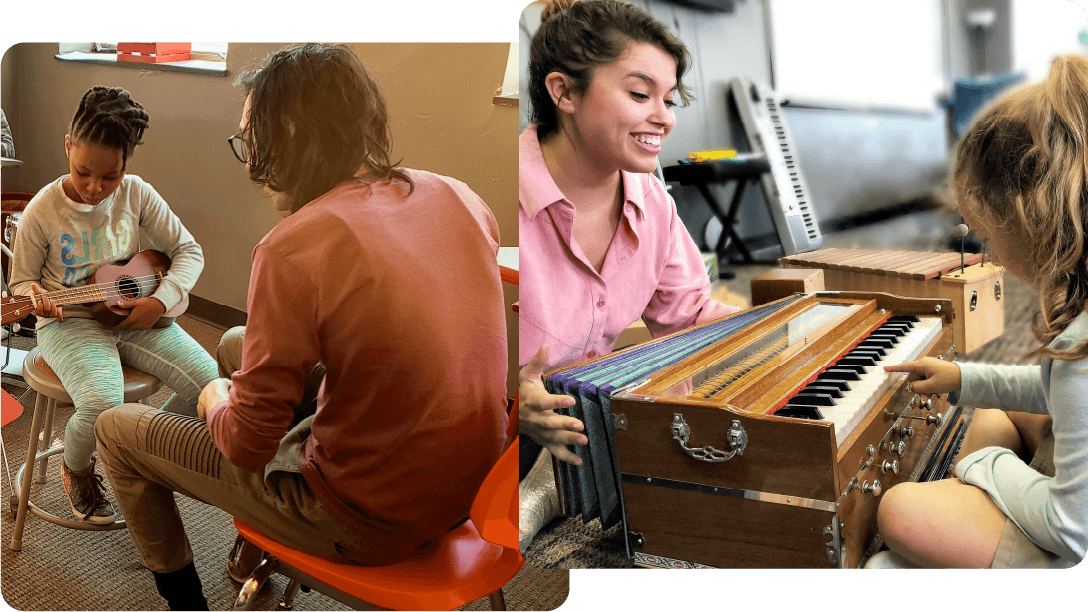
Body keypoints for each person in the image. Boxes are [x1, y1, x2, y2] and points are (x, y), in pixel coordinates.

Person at [94, 43, 508, 611]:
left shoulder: (293, 247)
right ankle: (253, 550)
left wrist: (215, 400)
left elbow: (245, 443)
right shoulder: (458, 196)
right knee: (237, 343)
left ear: (289, 135)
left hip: (366, 521)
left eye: (251, 139)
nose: (249, 162)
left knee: (117, 428)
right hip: (474, 494)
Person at [518, 0, 741, 551]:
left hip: (582, 425)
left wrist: (789, 331)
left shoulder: (652, 202)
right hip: (486, 431)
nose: (665, 117)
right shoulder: (496, 199)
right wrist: (507, 403)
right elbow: (438, 353)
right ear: (564, 93)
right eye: (641, 95)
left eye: (669, 98)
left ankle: (563, 481)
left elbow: (689, 319)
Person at [873, 54, 1088, 569]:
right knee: (995, 410)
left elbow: (1073, 529)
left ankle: (973, 525)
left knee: (899, 509)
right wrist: (961, 377)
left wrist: (981, 465)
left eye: (986, 234)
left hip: (1072, 542)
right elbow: (1052, 390)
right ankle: (969, 518)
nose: (986, 250)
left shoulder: (1081, 356)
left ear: (1027, 218)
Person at [9, 86, 218, 526]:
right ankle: (77, 469)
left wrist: (160, 301)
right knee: (102, 400)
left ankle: (145, 442)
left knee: (212, 386)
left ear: (126, 165)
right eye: (84, 172)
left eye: (110, 176)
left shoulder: (137, 194)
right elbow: (21, 283)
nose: (95, 188)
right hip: (69, 323)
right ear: (68, 146)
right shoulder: (41, 212)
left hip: (139, 315)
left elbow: (188, 251)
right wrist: (35, 301)